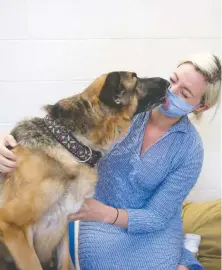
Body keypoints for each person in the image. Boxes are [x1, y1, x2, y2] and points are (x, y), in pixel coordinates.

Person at [0, 52, 221, 270]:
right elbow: (56, 127)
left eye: (184, 93)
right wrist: (6, 140)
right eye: (173, 80)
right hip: (100, 224)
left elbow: (156, 217)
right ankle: (187, 252)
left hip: (153, 230)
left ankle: (184, 253)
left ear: (201, 107)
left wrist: (107, 214)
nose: (170, 91)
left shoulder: (191, 149)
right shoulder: (117, 113)